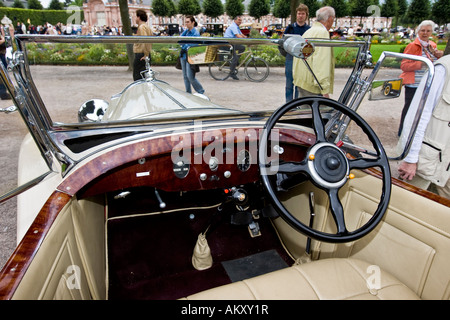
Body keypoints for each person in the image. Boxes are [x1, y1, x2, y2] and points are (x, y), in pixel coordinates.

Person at [397, 54, 450, 199]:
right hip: (427, 163)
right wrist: (410, 158)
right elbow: (417, 116)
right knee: (408, 209)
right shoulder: (443, 69)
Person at [398, 20, 443, 136]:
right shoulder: (412, 46)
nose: (425, 33)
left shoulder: (433, 46)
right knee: (409, 108)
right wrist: (421, 64)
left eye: (428, 31)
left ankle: (417, 132)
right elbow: (404, 65)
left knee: (424, 110)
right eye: (423, 30)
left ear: (431, 32)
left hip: (427, 83)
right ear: (418, 31)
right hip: (413, 84)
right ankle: (402, 132)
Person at [292, 6, 335, 98]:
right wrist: (324, 89)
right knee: (321, 112)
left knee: (305, 111)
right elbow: (321, 62)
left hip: (303, 81)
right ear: (330, 19)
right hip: (313, 86)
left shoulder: (309, 31)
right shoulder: (322, 33)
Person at [283, 4, 310, 102]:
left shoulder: (309, 30)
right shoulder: (290, 28)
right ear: (296, 14)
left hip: (302, 59)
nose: (300, 16)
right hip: (290, 58)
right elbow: (283, 43)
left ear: (306, 15)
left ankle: (297, 104)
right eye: (299, 13)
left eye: (303, 14)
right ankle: (288, 104)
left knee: (299, 84)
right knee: (289, 84)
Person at [179, 16, 205, 95]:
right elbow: (180, 40)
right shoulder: (186, 32)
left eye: (188, 22)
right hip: (184, 55)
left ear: (193, 22)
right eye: (185, 22)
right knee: (185, 76)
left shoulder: (195, 32)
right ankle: (188, 93)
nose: (186, 24)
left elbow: (192, 45)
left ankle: (200, 90)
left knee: (190, 76)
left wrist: (184, 45)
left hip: (190, 55)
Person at [132, 9, 153, 81]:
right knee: (144, 77)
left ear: (139, 17)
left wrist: (145, 55)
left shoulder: (142, 27)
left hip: (141, 54)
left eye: (135, 16)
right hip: (145, 54)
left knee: (138, 77)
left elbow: (145, 40)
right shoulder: (147, 27)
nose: (135, 19)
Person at [224, 16, 246, 80]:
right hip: (228, 44)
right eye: (239, 20)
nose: (240, 21)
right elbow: (238, 36)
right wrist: (245, 40)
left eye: (241, 20)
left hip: (232, 43)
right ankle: (231, 73)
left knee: (242, 48)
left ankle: (235, 61)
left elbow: (241, 35)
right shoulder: (233, 26)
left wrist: (247, 38)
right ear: (235, 20)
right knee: (235, 57)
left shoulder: (237, 27)